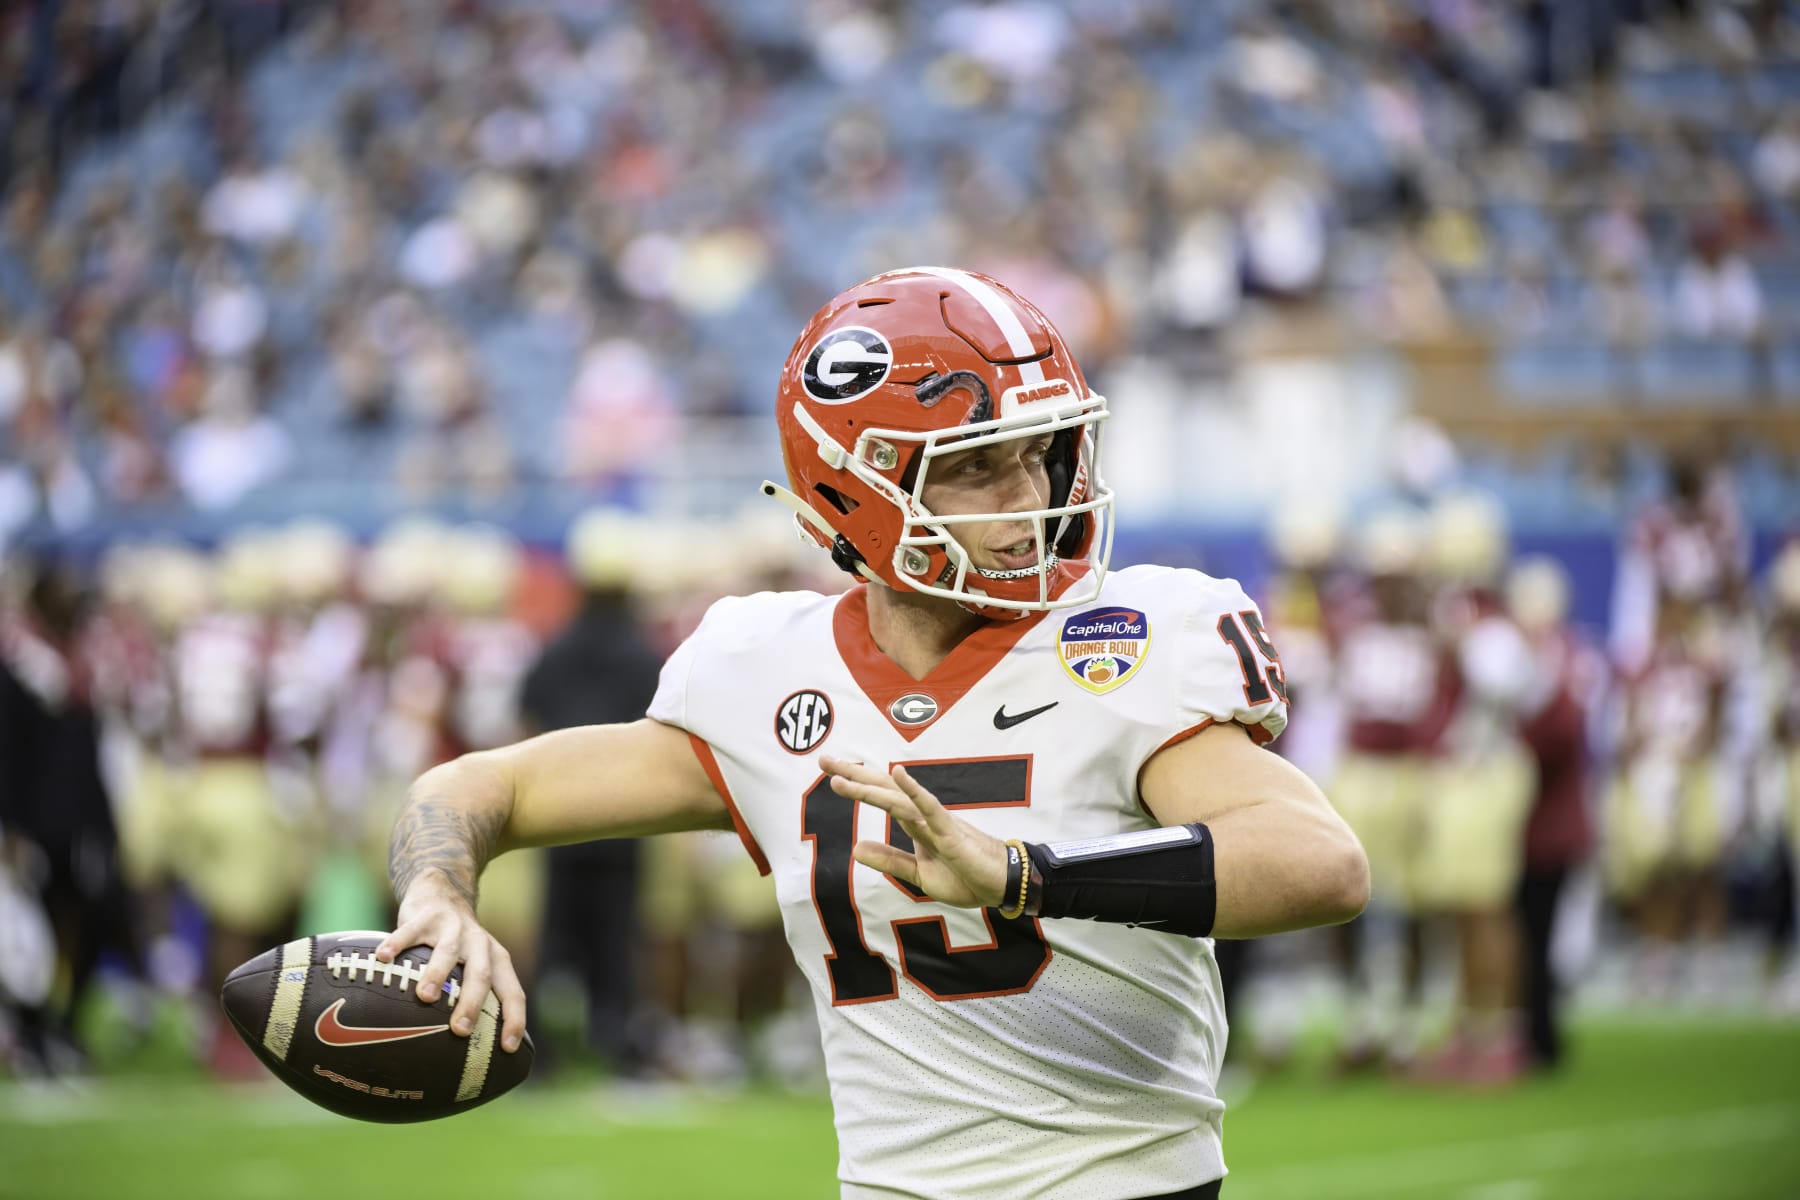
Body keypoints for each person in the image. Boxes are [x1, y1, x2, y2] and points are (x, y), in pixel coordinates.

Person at [379, 267, 1369, 1200]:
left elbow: (1322, 864)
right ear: (857, 487)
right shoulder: (759, 667)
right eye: (978, 468)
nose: (1028, 502)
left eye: (1041, 453)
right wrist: (439, 891)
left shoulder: (1123, 637)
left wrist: (1025, 876)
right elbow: (473, 789)